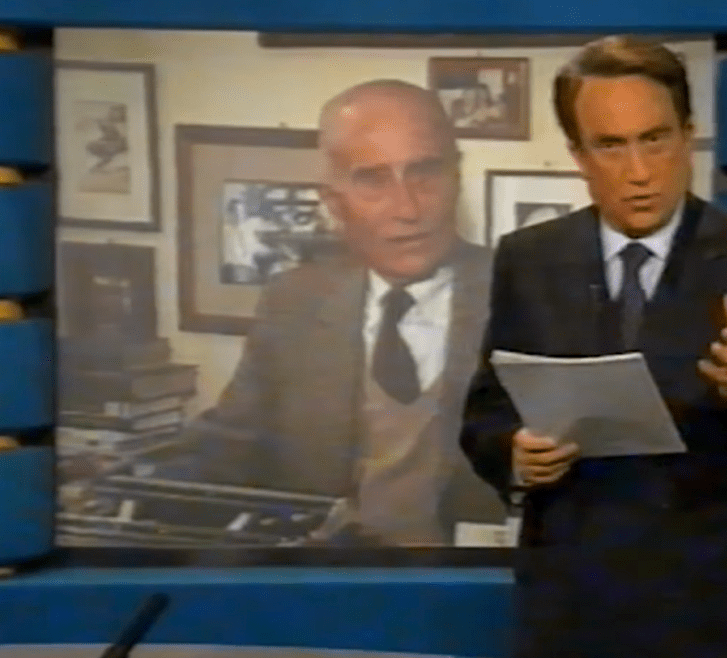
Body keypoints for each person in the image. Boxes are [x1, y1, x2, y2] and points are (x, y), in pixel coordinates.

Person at [460, 36, 727, 657]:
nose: (638, 172)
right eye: (610, 145)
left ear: (688, 136)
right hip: (567, 609)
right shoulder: (530, 259)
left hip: (705, 609)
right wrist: (517, 455)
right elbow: (485, 416)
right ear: (579, 155)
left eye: (655, 139)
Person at [175, 79, 506, 546]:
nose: (408, 208)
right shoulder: (294, 303)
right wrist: (113, 487)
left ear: (456, 177)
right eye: (373, 180)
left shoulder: (529, 295)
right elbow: (229, 446)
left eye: (426, 173)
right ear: (334, 203)